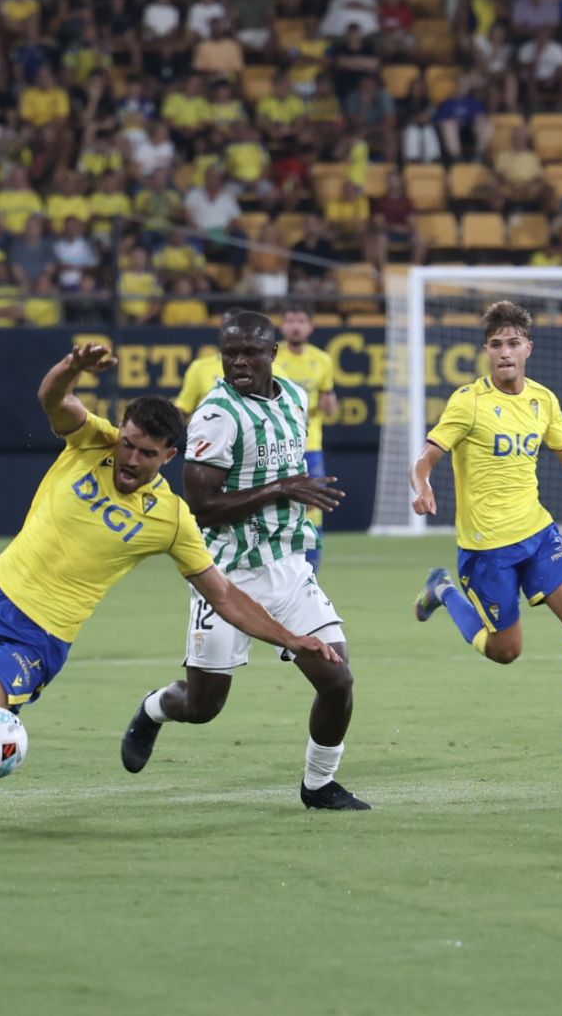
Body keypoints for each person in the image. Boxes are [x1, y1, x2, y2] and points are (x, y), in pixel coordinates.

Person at [0, 344, 339, 826]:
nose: (130, 458)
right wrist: (72, 367)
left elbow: (226, 595)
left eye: (147, 453)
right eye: (127, 443)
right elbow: (51, 398)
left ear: (169, 456)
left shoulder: (171, 519)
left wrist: (291, 639)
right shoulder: (93, 442)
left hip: (36, 638)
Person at [121, 313, 366, 811]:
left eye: (249, 353)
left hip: (288, 567)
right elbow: (202, 505)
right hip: (227, 575)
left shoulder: (296, 397)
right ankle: (154, 709)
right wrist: (282, 488)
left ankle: (318, 786)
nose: (238, 363)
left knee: (338, 679)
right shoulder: (217, 414)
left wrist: (291, 491)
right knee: (203, 705)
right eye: (228, 353)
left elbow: (286, 468)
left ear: (273, 352)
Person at [407, 301, 562, 753]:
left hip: (538, 532)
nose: (505, 352)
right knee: (506, 651)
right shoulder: (468, 403)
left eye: (513, 343)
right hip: (488, 548)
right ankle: (445, 591)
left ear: (528, 347)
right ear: (486, 351)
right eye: (495, 345)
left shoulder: (542, 400)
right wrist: (423, 487)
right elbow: (425, 459)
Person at [273, 305, 339, 571]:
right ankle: (278, 560)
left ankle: (312, 563)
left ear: (311, 326)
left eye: (301, 320)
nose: (296, 326)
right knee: (278, 500)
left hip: (311, 445)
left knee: (314, 504)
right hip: (281, 443)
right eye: (291, 320)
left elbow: (327, 397)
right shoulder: (273, 358)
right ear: (283, 326)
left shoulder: (322, 360)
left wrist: (329, 404)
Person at [173, 308, 241, 416]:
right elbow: (183, 409)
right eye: (226, 327)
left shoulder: (265, 367)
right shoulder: (200, 367)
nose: (231, 332)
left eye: (238, 328)